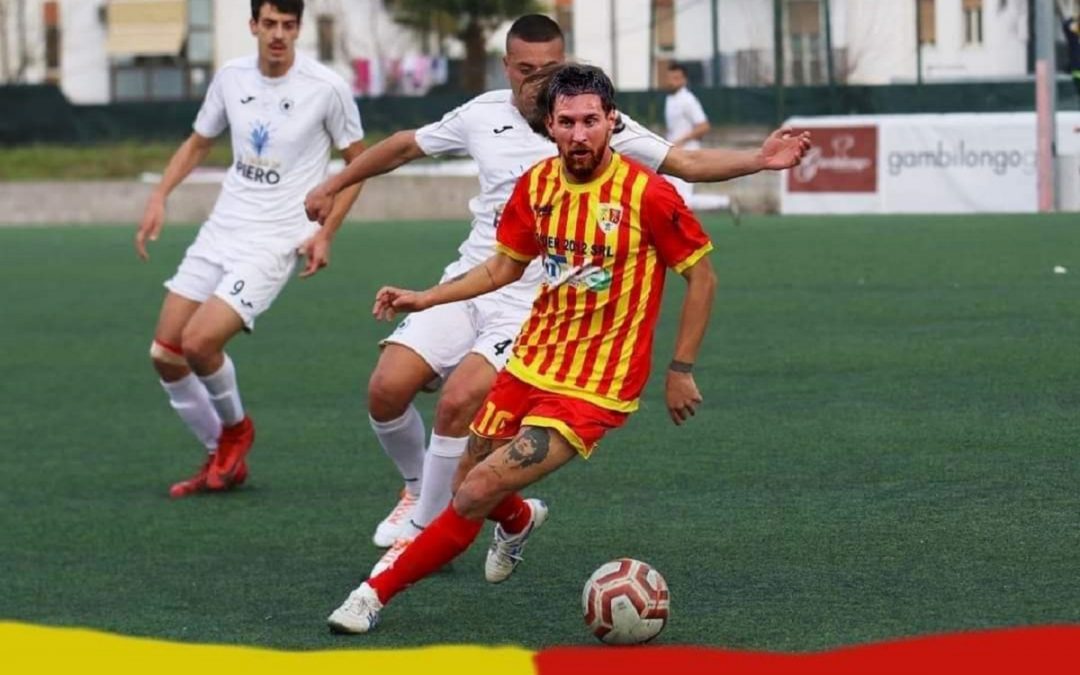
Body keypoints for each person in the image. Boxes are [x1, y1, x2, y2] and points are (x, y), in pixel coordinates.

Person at [304, 15, 808, 573]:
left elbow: (685, 162)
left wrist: (760, 161)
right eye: (526, 70)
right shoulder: (482, 114)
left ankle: (421, 530)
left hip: (532, 299)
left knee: (455, 403)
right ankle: (426, 490)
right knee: (386, 388)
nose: (539, 81)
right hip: (473, 276)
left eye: (550, 69)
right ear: (507, 68)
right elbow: (402, 146)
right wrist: (333, 182)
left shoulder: (589, 122)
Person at [325, 63, 717, 634]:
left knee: (476, 488)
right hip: (532, 360)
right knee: (469, 480)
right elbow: (503, 267)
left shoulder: (647, 194)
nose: (579, 134)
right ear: (549, 127)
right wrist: (426, 297)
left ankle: (371, 595)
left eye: (590, 121)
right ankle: (519, 520)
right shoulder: (538, 187)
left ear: (612, 122)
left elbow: (701, 276)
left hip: (595, 384)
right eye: (567, 122)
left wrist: (680, 368)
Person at [135, 0, 366, 498]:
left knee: (199, 344)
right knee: (164, 354)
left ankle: (237, 432)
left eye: (288, 25)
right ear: (253, 26)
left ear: (299, 28)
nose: (278, 34)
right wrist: (159, 196)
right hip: (223, 227)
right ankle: (222, 452)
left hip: (275, 238)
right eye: (270, 24)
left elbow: (357, 166)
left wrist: (325, 232)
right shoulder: (232, 77)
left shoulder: (326, 88)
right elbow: (199, 142)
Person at [662, 61, 737, 218]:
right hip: (672, 151)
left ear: (684, 80)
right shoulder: (670, 99)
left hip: (687, 152)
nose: (672, 81)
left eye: (676, 78)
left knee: (683, 199)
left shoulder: (688, 100)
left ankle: (725, 202)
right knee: (663, 190)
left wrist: (682, 140)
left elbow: (703, 126)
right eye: (670, 78)